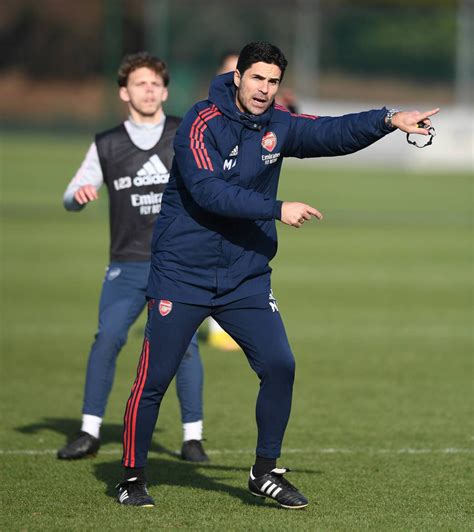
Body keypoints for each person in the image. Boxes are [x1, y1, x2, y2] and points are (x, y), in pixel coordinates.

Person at [115, 41, 439, 508]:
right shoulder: (199, 122)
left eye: (273, 82)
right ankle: (131, 476)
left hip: (245, 276)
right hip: (183, 274)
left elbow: (331, 132)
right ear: (238, 77)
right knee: (155, 379)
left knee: (280, 366)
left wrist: (389, 119)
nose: (265, 90)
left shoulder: (278, 123)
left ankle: (264, 472)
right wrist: (277, 208)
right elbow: (209, 193)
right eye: (257, 79)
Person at [58, 52, 208, 463]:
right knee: (107, 338)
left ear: (165, 91)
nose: (149, 90)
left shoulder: (185, 134)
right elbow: (70, 196)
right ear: (124, 92)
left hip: (177, 264)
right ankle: (89, 431)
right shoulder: (106, 143)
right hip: (127, 264)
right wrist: (80, 195)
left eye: (156, 84)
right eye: (140, 83)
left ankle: (192, 437)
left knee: (186, 347)